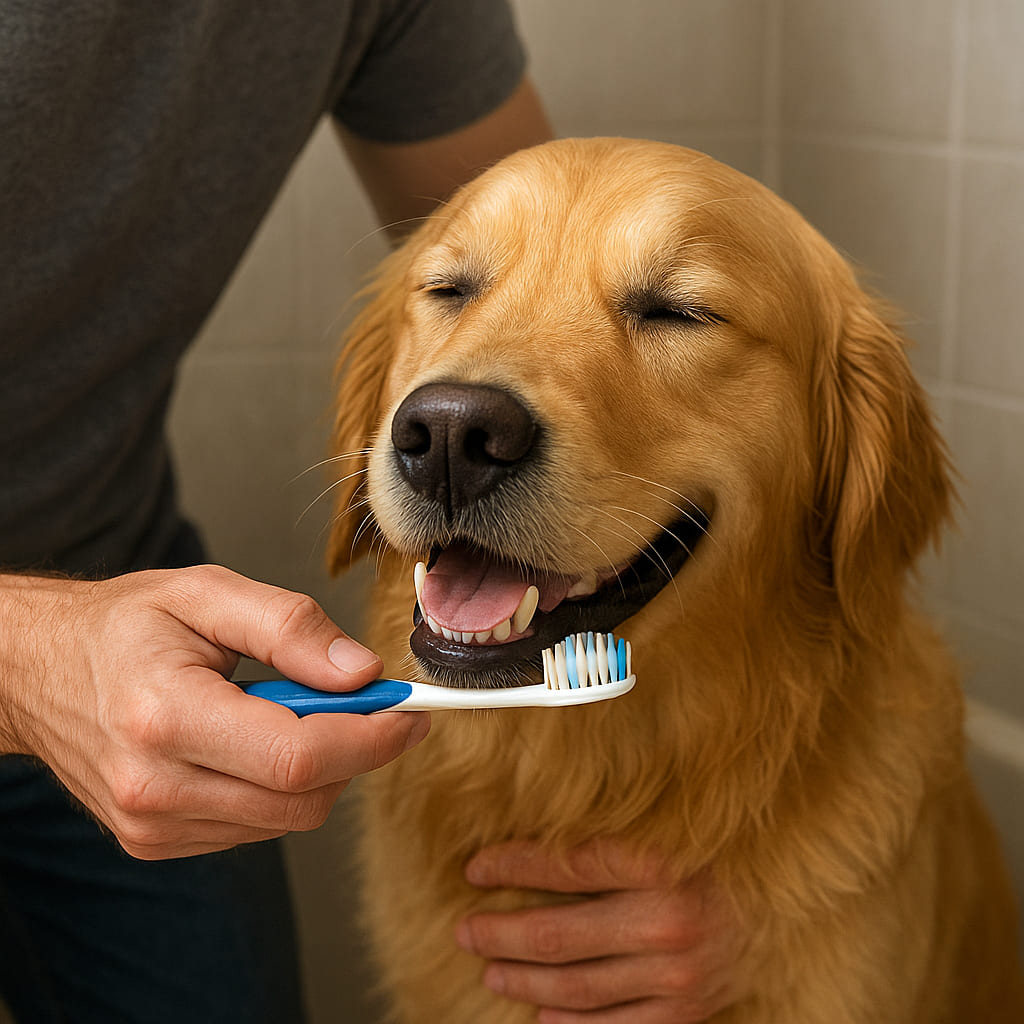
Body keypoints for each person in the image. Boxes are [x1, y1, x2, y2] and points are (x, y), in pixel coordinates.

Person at [0, 2, 744, 1021]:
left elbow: (543, 242)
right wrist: (26, 656)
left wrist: (774, 893)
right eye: (448, 289)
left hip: (114, 587)